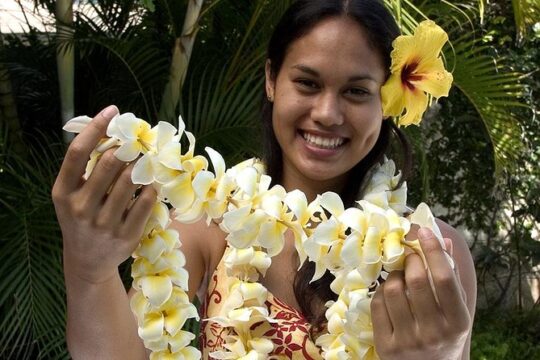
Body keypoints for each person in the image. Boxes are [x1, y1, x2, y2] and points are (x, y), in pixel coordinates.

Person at [52, 0, 476, 359]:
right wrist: (90, 271)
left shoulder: (429, 259)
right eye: (307, 83)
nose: (327, 113)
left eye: (356, 91)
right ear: (273, 80)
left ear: (387, 99)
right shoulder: (210, 226)